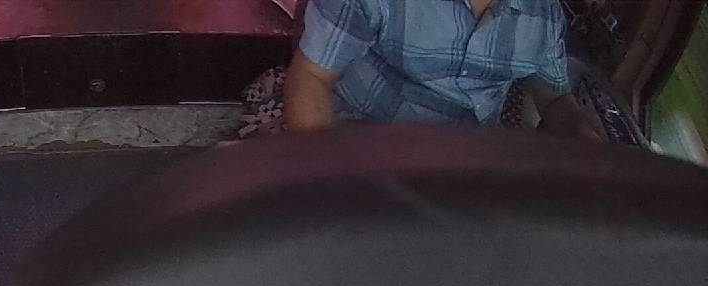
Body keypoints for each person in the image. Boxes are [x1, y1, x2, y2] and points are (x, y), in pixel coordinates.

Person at [240, 0, 603, 139]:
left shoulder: (543, 17)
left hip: (471, 169)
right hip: (360, 143)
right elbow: (312, 78)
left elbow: (555, 99)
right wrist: (335, 184)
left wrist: (589, 146)